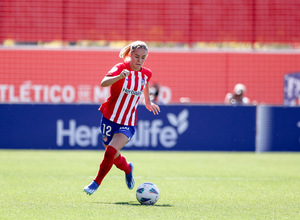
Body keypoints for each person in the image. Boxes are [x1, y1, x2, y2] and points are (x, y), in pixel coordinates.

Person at [84, 41, 160, 195]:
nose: (139, 60)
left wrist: (147, 100)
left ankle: (95, 183)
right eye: (137, 56)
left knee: (110, 151)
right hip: (109, 118)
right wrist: (119, 77)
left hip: (128, 122)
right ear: (130, 55)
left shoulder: (146, 73)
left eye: (143, 57)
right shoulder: (121, 68)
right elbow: (103, 83)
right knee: (113, 155)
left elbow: (144, 83)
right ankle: (128, 168)